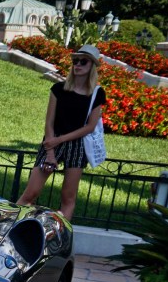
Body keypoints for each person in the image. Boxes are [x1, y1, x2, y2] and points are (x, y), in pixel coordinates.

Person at [15, 44, 107, 220]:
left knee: (68, 197)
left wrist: (61, 140)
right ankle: (10, 228)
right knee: (30, 193)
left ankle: (62, 236)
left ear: (92, 66)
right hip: (52, 141)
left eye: (83, 62)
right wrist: (50, 152)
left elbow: (90, 126)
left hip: (77, 145)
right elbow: (49, 122)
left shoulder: (96, 93)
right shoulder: (58, 89)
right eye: (75, 61)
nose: (78, 65)